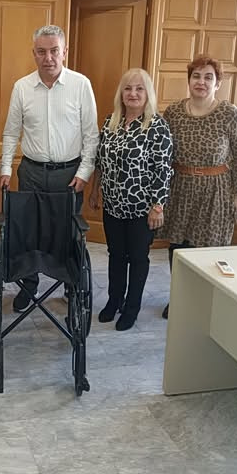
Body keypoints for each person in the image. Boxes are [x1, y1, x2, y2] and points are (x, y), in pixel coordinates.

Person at [0, 24, 99, 312]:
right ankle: (28, 285)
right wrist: (5, 168)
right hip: (31, 171)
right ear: (34, 53)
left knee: (66, 232)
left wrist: (84, 173)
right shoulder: (22, 87)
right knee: (28, 231)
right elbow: (11, 132)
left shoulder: (81, 85)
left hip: (69, 175)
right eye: (42, 52)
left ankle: (69, 285)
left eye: (54, 51)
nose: (48, 58)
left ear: (64, 51)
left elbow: (91, 135)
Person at [159, 54, 237, 318]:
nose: (201, 82)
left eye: (209, 77)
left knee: (208, 250)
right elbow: (163, 153)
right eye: (196, 76)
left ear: (217, 83)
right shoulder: (173, 112)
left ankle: (203, 305)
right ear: (189, 80)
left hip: (216, 190)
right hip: (180, 187)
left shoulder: (230, 114)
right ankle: (180, 298)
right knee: (178, 247)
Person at [89, 68, 172, 330]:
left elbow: (163, 170)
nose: (133, 93)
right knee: (115, 255)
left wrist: (157, 206)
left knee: (137, 258)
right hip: (113, 205)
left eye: (139, 88)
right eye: (128, 88)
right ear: (121, 93)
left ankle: (131, 307)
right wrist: (95, 190)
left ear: (148, 94)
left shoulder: (157, 127)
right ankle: (114, 300)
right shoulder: (110, 122)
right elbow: (100, 161)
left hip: (142, 209)